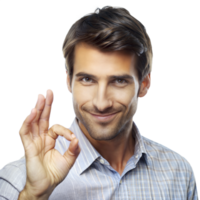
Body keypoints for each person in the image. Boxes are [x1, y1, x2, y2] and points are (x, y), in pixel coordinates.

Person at [0, 5, 199, 200]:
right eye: (87, 79)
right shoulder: (18, 181)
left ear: (144, 85)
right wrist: (35, 195)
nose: (101, 103)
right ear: (69, 81)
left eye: (119, 81)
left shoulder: (178, 174)